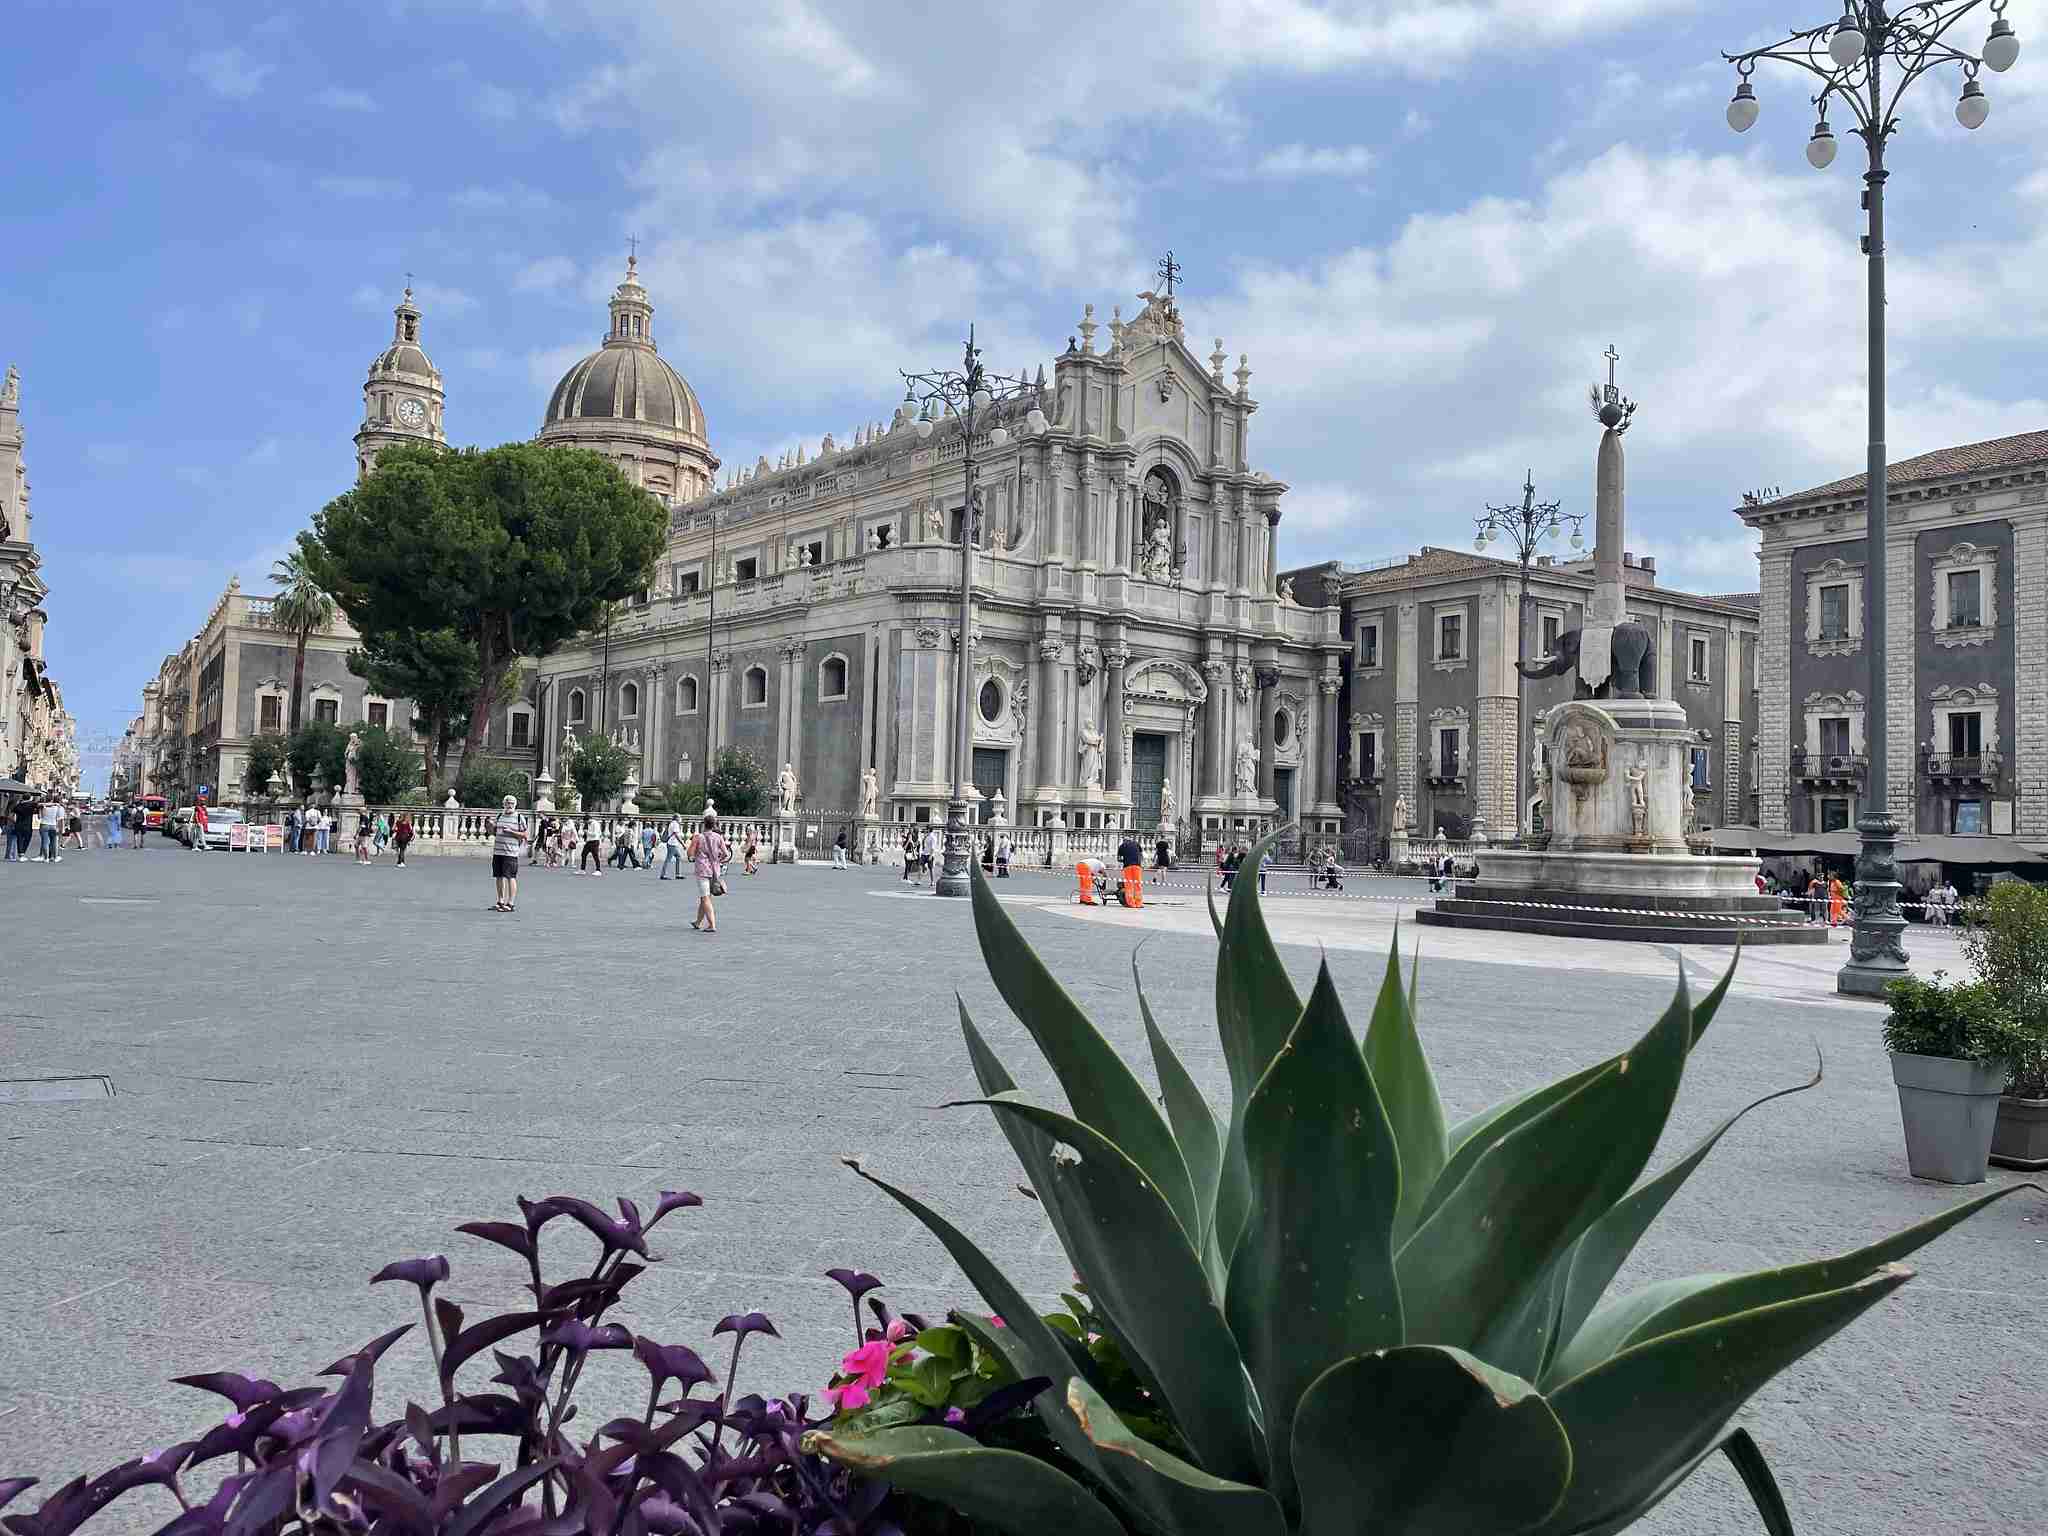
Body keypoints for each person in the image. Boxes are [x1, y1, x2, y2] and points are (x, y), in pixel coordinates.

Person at [688, 812, 730, 933]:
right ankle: (698, 922)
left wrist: (693, 848)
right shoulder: (718, 837)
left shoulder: (698, 837)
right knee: (705, 897)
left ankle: (712, 925)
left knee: (705, 897)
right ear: (714, 825)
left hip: (702, 870)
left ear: (704, 824)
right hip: (715, 870)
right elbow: (726, 854)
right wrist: (718, 860)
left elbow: (690, 854)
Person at [490, 794, 528, 912]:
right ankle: (500, 901)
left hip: (511, 852)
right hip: (498, 851)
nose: (509, 805)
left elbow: (525, 835)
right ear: (504, 804)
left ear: (515, 805)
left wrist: (511, 832)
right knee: (498, 876)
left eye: (511, 803)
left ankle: (510, 903)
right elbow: (493, 833)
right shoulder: (499, 816)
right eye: (507, 803)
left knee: (510, 877)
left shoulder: (519, 817)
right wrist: (490, 826)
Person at [659, 814, 685, 880]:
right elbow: (676, 835)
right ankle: (664, 874)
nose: (681, 819)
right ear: (677, 818)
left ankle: (677, 874)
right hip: (672, 844)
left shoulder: (672, 823)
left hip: (671, 843)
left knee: (678, 857)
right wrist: (682, 844)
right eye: (680, 817)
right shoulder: (675, 824)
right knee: (668, 859)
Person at [39, 798, 63, 862]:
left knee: (45, 842)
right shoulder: (57, 807)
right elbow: (59, 818)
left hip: (44, 824)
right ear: (52, 800)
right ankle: (55, 857)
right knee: (54, 842)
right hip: (53, 825)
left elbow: (40, 816)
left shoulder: (43, 807)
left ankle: (46, 858)